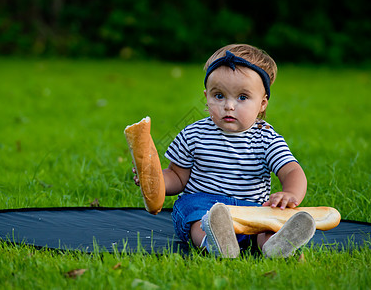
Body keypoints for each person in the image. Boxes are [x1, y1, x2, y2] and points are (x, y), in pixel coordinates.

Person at [133, 44, 315, 258]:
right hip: (202, 203)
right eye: (219, 96)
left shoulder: (266, 137)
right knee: (198, 220)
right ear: (206, 95)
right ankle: (216, 242)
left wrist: (290, 194)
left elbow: (291, 171)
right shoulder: (194, 134)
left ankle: (276, 244)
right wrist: (154, 180)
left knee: (266, 225)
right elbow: (177, 177)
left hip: (251, 209)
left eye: (242, 97)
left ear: (262, 103)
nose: (229, 106)